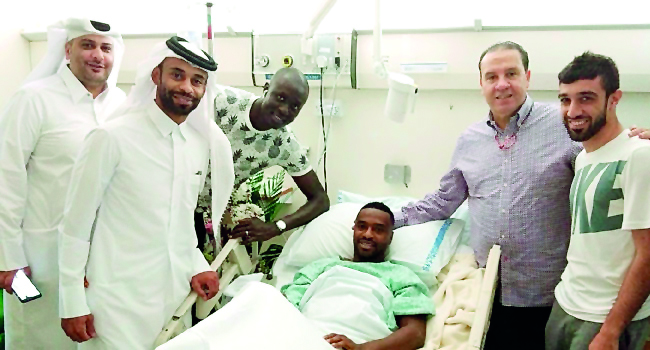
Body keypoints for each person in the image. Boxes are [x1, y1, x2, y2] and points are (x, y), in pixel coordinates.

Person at [392, 41, 650, 349]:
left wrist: (641, 140)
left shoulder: (566, 123)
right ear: (481, 83)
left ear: (527, 76)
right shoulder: (469, 141)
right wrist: (387, 217)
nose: (502, 84)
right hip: (489, 292)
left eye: (511, 73)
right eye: (492, 76)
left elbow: (612, 151)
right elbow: (444, 200)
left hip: (550, 294)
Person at [57, 36, 234, 350]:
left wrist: (198, 265)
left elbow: (178, 221)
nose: (187, 88)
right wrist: (71, 300)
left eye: (197, 81)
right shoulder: (111, 137)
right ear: (156, 76)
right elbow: (74, 225)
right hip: (116, 303)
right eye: (176, 74)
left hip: (174, 298)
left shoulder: (196, 145)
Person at [0, 18, 125, 349]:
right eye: (87, 45)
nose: (97, 55)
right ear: (67, 50)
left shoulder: (123, 106)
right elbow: (5, 177)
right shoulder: (33, 99)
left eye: (105, 47)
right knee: (41, 340)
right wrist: (7, 256)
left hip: (104, 259)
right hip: (42, 257)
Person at [545, 52, 650, 350]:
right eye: (565, 100)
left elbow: (648, 256)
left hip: (606, 319)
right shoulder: (582, 159)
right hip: (566, 305)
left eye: (586, 98)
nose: (573, 110)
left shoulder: (639, 155)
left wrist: (611, 331)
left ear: (614, 99)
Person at [196, 68, 329, 246]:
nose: (284, 109)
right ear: (266, 88)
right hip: (166, 190)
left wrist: (275, 227)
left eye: (294, 106)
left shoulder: (284, 145)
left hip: (194, 213)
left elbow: (320, 199)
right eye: (280, 98)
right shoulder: (222, 101)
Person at [282, 202, 434, 350]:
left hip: (358, 341)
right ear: (354, 229)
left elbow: (415, 333)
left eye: (378, 230)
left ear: (390, 237)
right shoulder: (321, 266)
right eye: (362, 227)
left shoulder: (401, 276)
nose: (368, 234)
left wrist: (361, 348)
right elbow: (286, 307)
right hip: (305, 335)